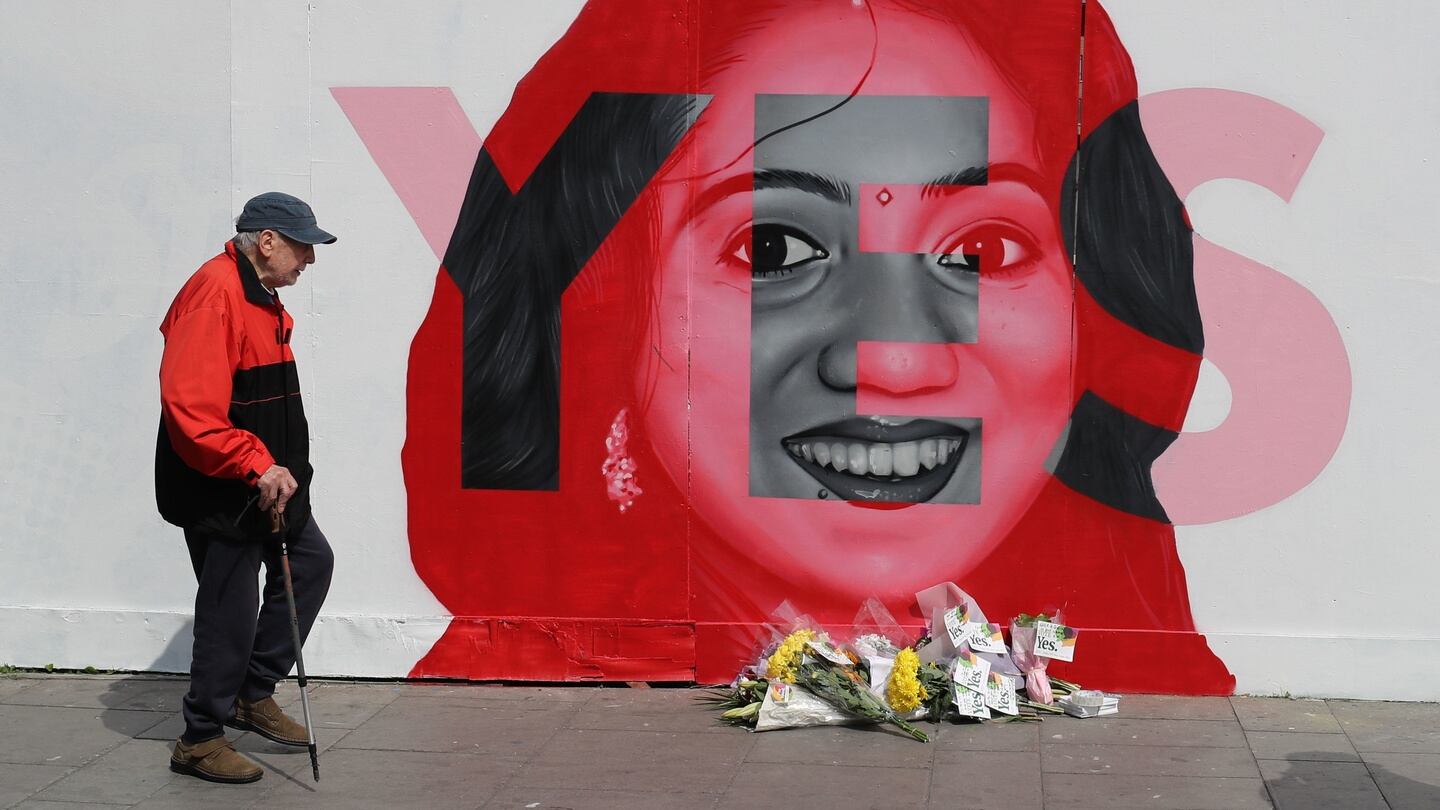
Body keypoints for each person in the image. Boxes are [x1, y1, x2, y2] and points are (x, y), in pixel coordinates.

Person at [403, 0, 1234, 694]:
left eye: (980, 252)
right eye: (772, 249)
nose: (895, 361)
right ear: (600, 312)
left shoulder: (1147, 665)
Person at [155, 192, 337, 783]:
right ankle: (200, 739)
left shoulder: (261, 297)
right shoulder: (215, 295)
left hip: (269, 482)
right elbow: (193, 410)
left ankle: (251, 692)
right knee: (228, 607)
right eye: (303, 245)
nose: (309, 259)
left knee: (310, 564)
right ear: (267, 241)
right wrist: (255, 464)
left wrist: (283, 470)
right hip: (222, 483)